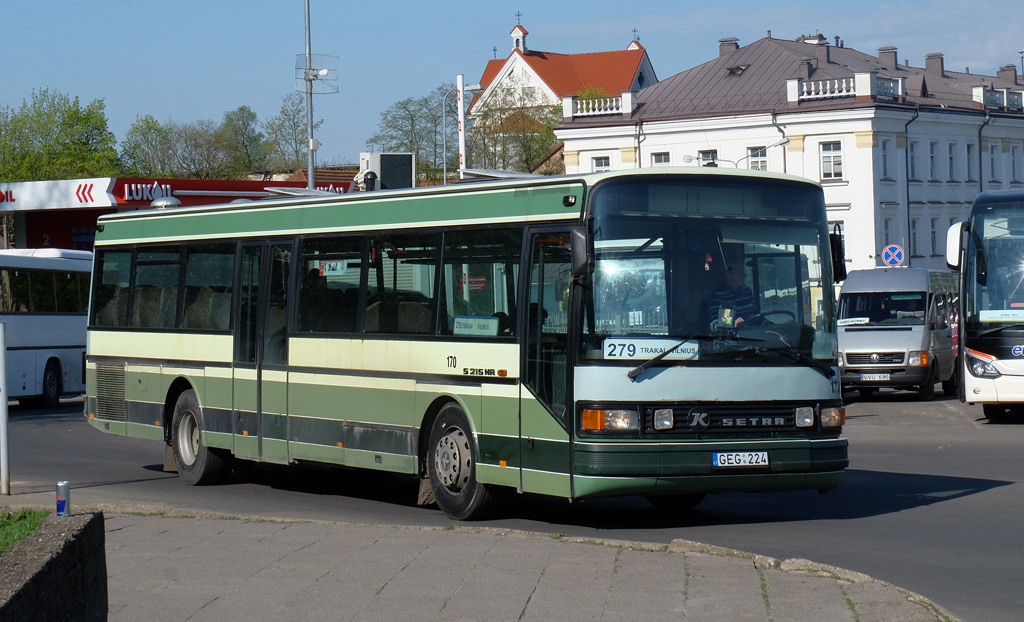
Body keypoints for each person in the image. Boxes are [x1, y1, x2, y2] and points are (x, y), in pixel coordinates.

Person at [706, 253, 758, 328]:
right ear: (728, 275)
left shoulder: (747, 292)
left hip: (754, 336)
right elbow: (715, 325)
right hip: (732, 339)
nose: (744, 275)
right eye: (741, 272)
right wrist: (733, 324)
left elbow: (756, 317)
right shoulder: (719, 298)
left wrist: (774, 326)